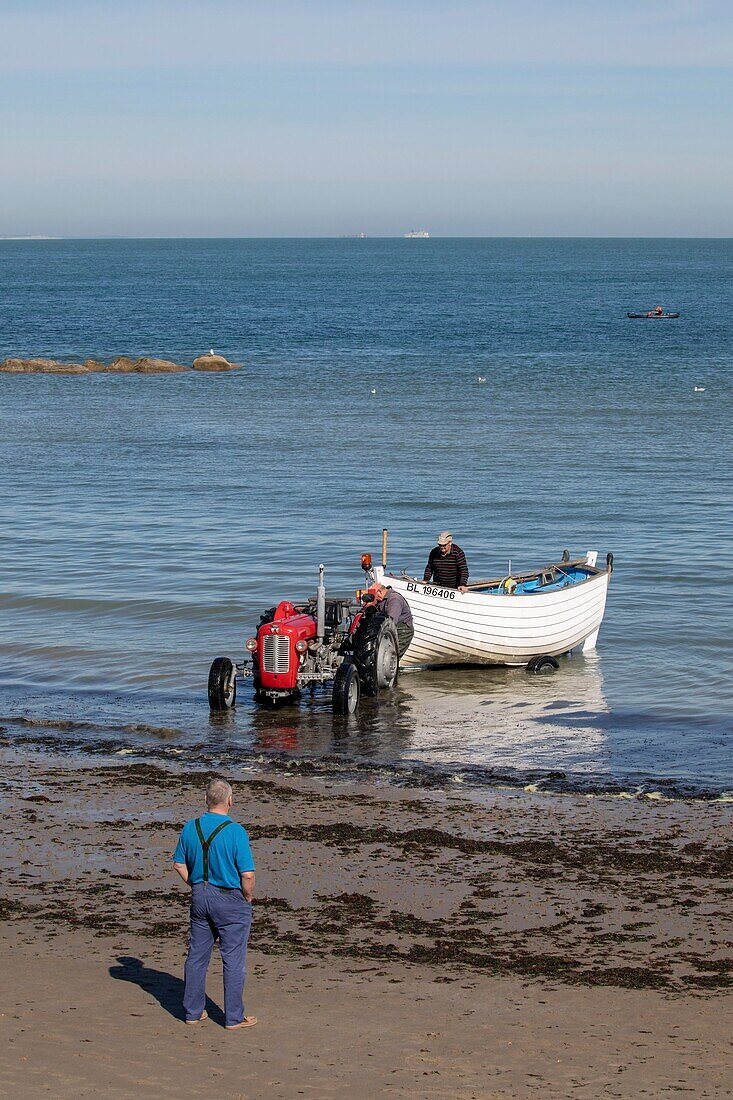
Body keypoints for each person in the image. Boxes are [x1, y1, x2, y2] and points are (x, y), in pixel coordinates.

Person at [172, 778, 257, 1030]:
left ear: (205, 800)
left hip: (201, 894)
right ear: (230, 800)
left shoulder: (190, 827)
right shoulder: (236, 831)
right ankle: (233, 1017)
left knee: (197, 956)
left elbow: (178, 864)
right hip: (229, 899)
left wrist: (195, 885)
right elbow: (248, 874)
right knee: (232, 959)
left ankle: (192, 1012)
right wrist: (248, 896)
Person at [371, 581, 414, 657]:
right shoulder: (382, 599)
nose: (375, 599)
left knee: (392, 656)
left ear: (380, 591)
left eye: (375, 596)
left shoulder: (394, 599)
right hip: (393, 628)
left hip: (403, 630)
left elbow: (391, 621)